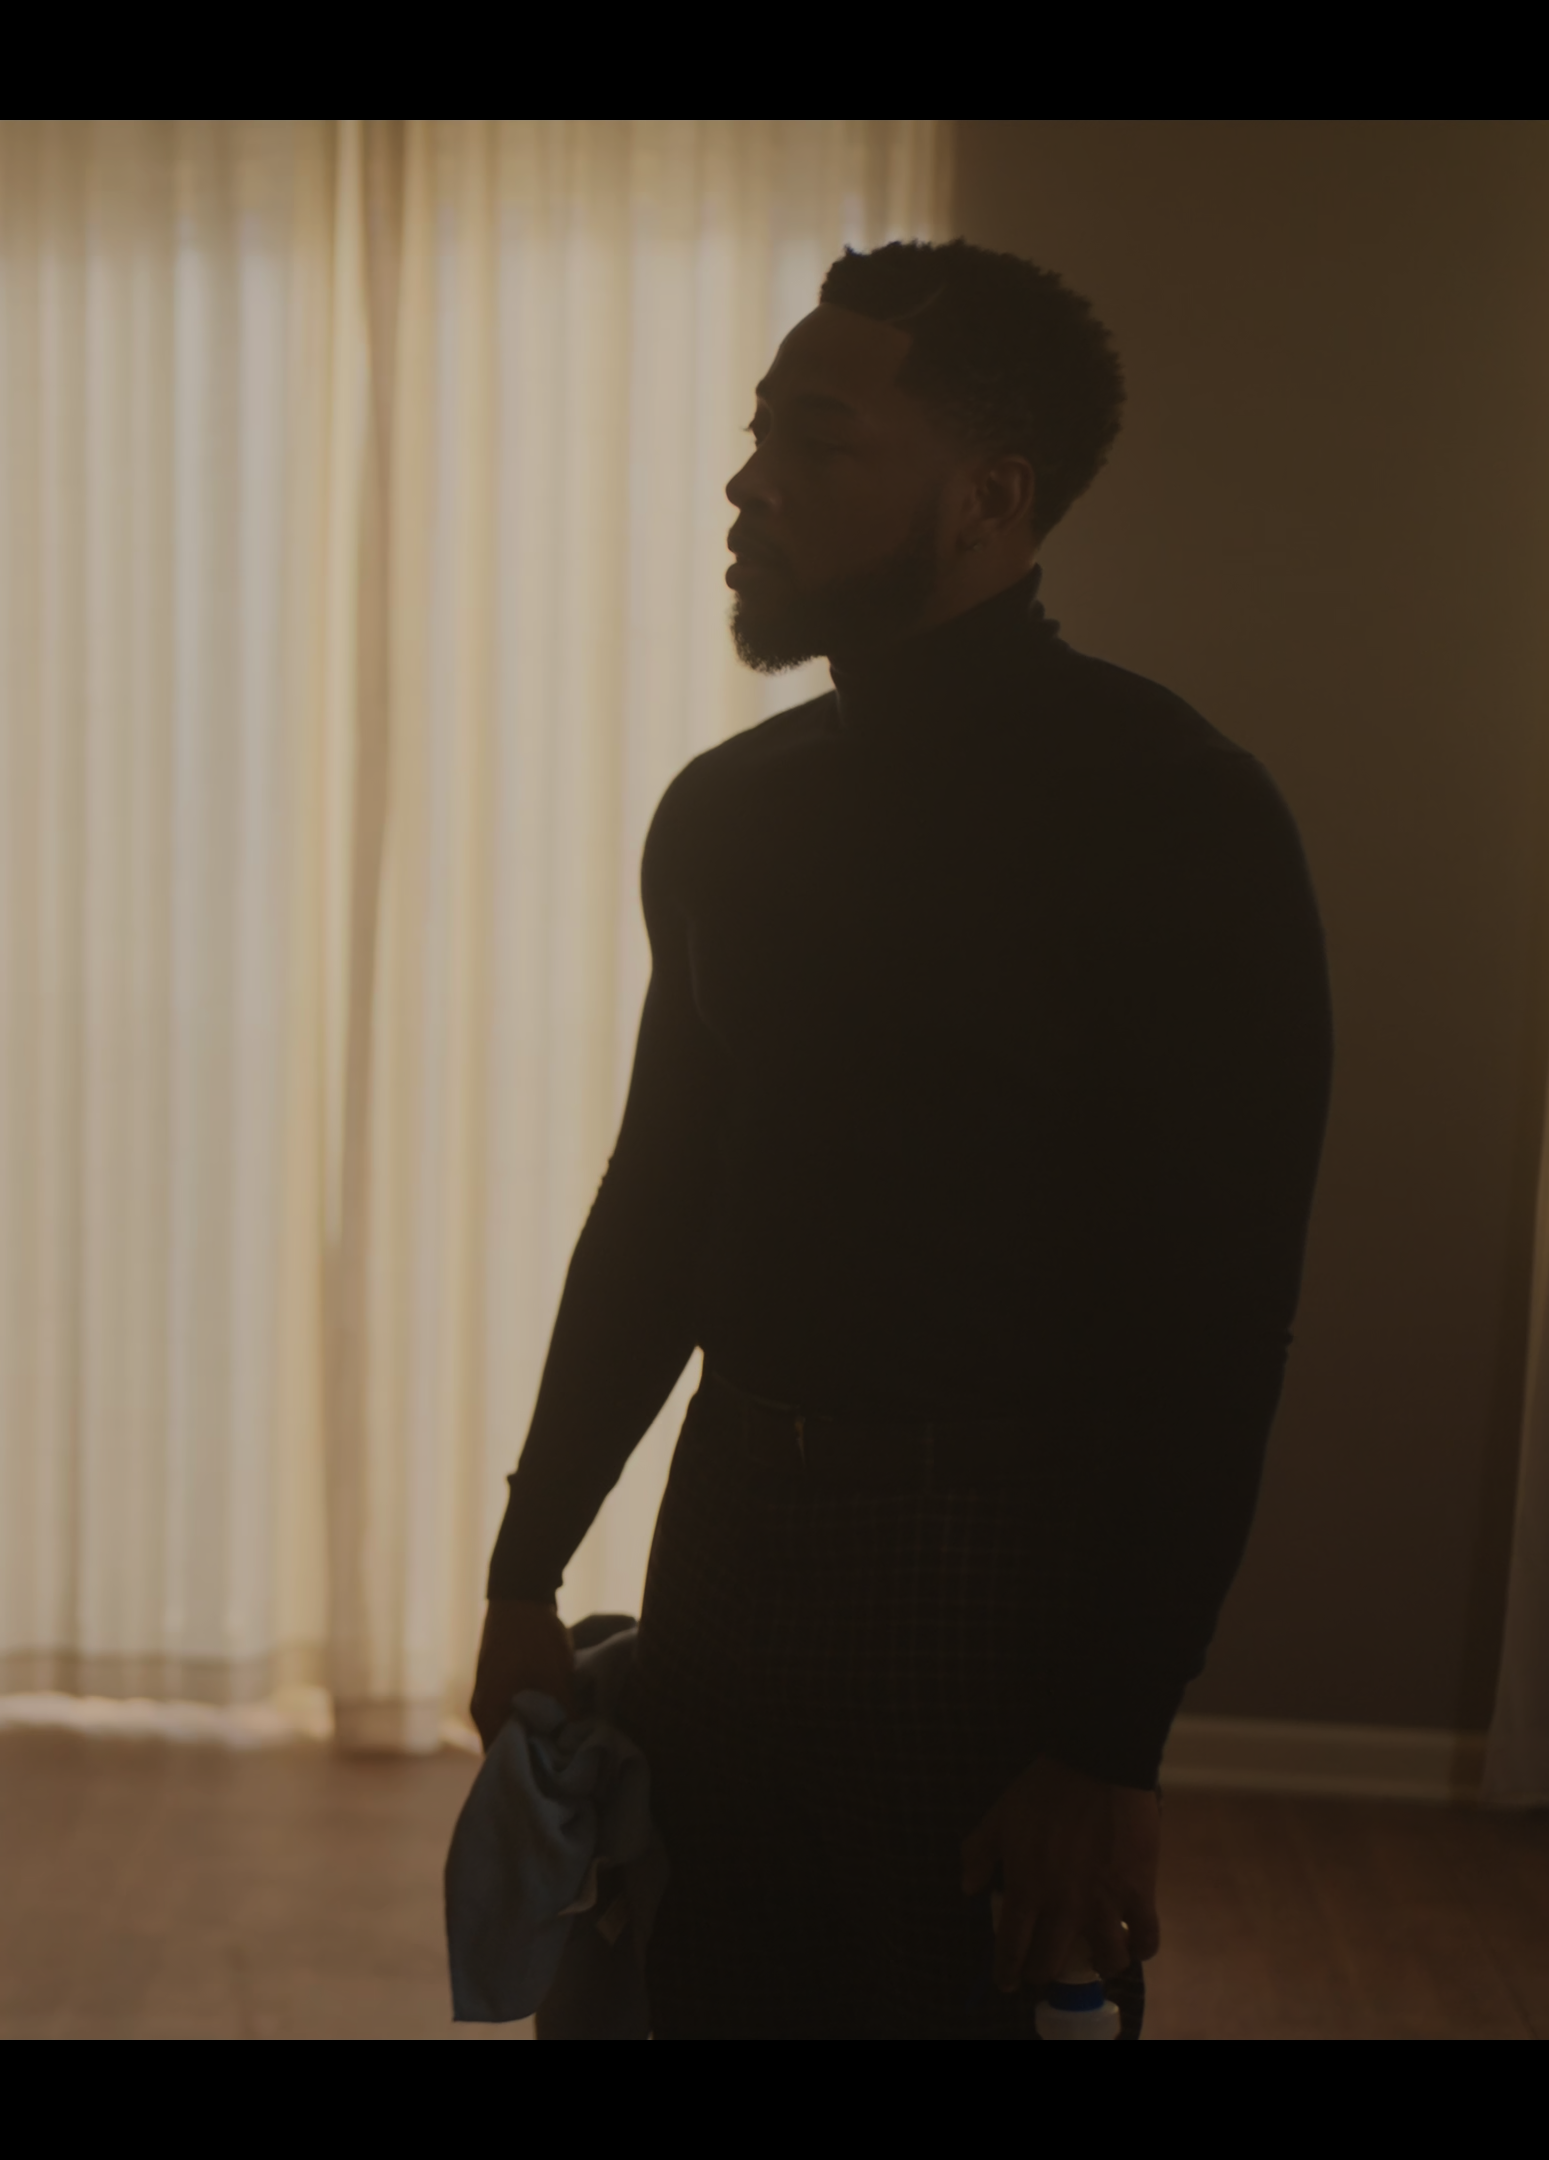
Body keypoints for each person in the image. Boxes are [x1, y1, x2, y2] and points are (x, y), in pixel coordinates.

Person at [464, 241, 1330, 2038]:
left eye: (815, 438)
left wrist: (1112, 1744)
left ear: (989, 499)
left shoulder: (1175, 814)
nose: (749, 482)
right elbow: (658, 1208)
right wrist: (527, 1566)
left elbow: (1220, 1319)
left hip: (996, 1575)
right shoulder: (730, 814)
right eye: (756, 431)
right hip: (729, 1541)